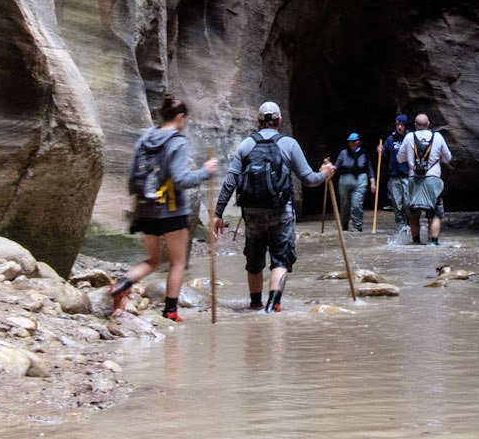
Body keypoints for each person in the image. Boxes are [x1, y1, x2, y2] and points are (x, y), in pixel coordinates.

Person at [212, 101, 333, 311]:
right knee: (280, 259)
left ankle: (255, 304)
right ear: (279, 120)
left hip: (251, 213)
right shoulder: (289, 144)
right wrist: (325, 173)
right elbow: (309, 179)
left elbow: (230, 182)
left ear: (258, 121)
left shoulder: (246, 145)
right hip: (281, 211)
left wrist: (218, 214)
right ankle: (273, 305)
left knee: (254, 260)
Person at [110, 96, 217, 322]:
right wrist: (205, 172)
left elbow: (132, 178)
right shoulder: (177, 141)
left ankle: (122, 284)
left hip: (146, 208)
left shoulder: (145, 138)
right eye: (184, 119)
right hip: (172, 211)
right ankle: (170, 311)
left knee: (152, 260)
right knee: (177, 262)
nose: (185, 123)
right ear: (179, 117)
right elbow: (180, 180)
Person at [398, 113, 451, 245]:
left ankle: (416, 243)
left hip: (414, 180)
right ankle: (433, 242)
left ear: (415, 125)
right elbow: (448, 158)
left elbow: (399, 158)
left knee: (414, 213)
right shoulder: (437, 137)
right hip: (433, 180)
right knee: (435, 213)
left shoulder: (409, 137)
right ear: (428, 124)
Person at [380, 112, 410, 233]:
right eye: (398, 124)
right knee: (396, 204)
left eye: (402, 124)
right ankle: (401, 225)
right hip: (393, 176)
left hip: (408, 175)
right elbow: (385, 156)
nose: (399, 127)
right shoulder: (390, 139)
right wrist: (381, 151)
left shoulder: (410, 138)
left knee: (407, 203)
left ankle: (410, 222)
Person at [334, 131, 370, 232]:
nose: (352, 143)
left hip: (360, 180)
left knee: (356, 204)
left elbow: (369, 168)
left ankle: (357, 228)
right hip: (345, 180)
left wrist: (373, 182)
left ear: (359, 142)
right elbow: (336, 166)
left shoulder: (364, 154)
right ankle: (344, 226)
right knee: (344, 205)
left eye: (354, 141)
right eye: (350, 141)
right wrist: (330, 169)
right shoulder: (343, 153)